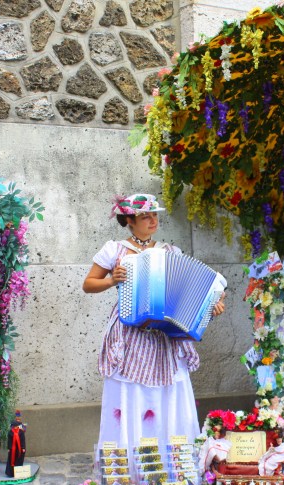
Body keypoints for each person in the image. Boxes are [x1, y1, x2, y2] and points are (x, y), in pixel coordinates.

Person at [83, 193, 225, 457]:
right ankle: (129, 463)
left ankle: (173, 462)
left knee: (168, 393)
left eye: (155, 215)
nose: (152, 221)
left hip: (164, 337)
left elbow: (187, 296)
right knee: (131, 393)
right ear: (129, 220)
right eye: (145, 216)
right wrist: (112, 280)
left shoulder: (170, 252)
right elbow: (89, 284)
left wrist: (211, 306)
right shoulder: (114, 250)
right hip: (129, 333)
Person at [6, 410, 27, 478]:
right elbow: (9, 441)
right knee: (11, 460)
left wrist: (23, 447)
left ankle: (18, 472)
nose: (15, 427)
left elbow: (23, 440)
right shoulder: (10, 432)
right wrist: (9, 448)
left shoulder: (21, 432)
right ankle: (11, 473)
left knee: (19, 459)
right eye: (14, 426)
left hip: (19, 448)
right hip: (13, 448)